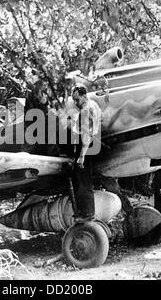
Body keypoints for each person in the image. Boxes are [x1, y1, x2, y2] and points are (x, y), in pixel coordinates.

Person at [69, 84, 102, 222]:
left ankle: (86, 213)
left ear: (84, 96)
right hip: (94, 144)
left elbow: (86, 134)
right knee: (86, 179)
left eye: (77, 100)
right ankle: (88, 211)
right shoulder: (94, 104)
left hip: (86, 146)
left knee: (82, 180)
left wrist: (82, 155)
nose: (76, 103)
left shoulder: (85, 110)